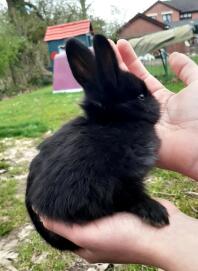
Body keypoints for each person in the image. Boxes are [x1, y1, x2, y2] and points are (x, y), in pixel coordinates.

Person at [41, 40, 198, 271]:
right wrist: (137, 202)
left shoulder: (96, 131)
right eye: (143, 97)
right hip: (68, 206)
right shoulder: (109, 142)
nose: (153, 101)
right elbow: (110, 182)